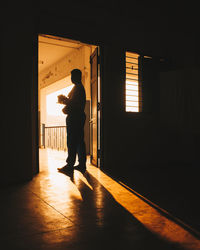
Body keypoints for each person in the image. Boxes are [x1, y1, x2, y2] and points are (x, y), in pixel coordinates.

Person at [57, 69, 86, 173]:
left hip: (75, 117)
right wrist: (66, 101)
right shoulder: (78, 88)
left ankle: (70, 165)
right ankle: (82, 164)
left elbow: (74, 104)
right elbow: (74, 103)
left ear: (77, 77)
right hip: (78, 117)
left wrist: (64, 100)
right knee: (79, 141)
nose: (71, 78)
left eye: (72, 76)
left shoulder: (78, 88)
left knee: (72, 141)